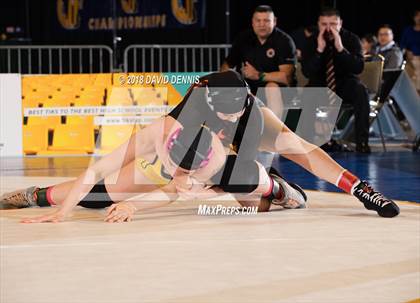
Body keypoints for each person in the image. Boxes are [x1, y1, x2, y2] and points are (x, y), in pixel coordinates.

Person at [2, 71, 399, 221]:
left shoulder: (250, 113)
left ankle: (280, 189)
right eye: (224, 118)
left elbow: (308, 153)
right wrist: (62, 207)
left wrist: (360, 189)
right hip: (199, 163)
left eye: (236, 113)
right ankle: (37, 196)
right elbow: (165, 183)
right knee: (100, 195)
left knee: (244, 187)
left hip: (231, 164)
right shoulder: (178, 120)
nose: (230, 121)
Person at [301, 7, 371, 153]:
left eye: (332, 24)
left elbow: (358, 68)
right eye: (324, 24)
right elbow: (307, 72)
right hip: (319, 84)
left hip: (344, 83)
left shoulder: (351, 39)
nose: (328, 29)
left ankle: (362, 143)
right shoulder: (311, 41)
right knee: (308, 93)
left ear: (340, 24)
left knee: (361, 91)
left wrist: (340, 49)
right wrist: (319, 50)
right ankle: (308, 143)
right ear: (318, 25)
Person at [220, 5, 296, 116]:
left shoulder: (284, 41)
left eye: (266, 21)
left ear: (274, 21)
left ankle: (274, 131)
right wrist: (228, 80)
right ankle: (228, 131)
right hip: (250, 87)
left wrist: (258, 75)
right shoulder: (243, 38)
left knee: (271, 87)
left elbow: (286, 77)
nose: (261, 25)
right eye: (258, 21)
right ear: (252, 22)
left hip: (281, 91)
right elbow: (227, 64)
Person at [401, 9, 420, 94]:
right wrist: (406, 52)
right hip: (410, 61)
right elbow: (403, 45)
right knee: (409, 85)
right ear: (414, 18)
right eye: (417, 16)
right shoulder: (408, 30)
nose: (419, 18)